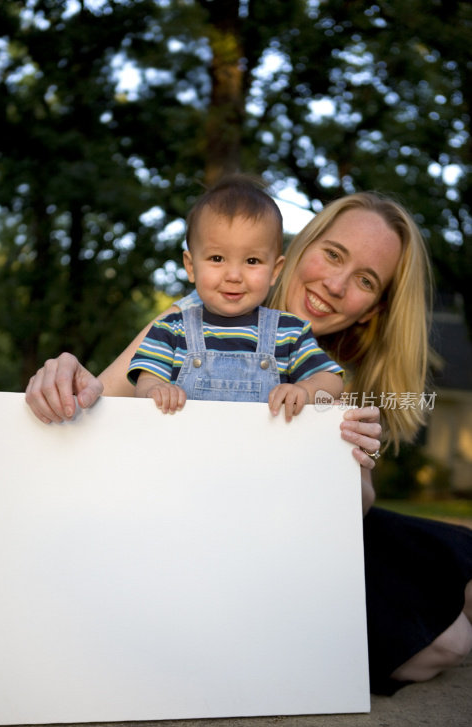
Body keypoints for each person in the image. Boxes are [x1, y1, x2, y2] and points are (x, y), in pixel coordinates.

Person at [25, 187, 472, 695]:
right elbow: (97, 401)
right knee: (446, 643)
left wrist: (354, 465)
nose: (336, 284)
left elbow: (356, 513)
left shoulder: (333, 367)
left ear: (374, 308)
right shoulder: (192, 322)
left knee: (455, 567)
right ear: (299, 250)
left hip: (309, 534)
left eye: (365, 280)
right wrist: (63, 375)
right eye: (333, 254)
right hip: (213, 538)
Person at [128, 177, 343, 417]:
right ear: (190, 267)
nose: (233, 275)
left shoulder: (289, 332)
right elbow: (145, 382)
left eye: (252, 261)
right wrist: (156, 391)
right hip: (188, 449)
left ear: (274, 271)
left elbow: (331, 380)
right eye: (217, 258)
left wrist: (305, 390)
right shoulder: (170, 331)